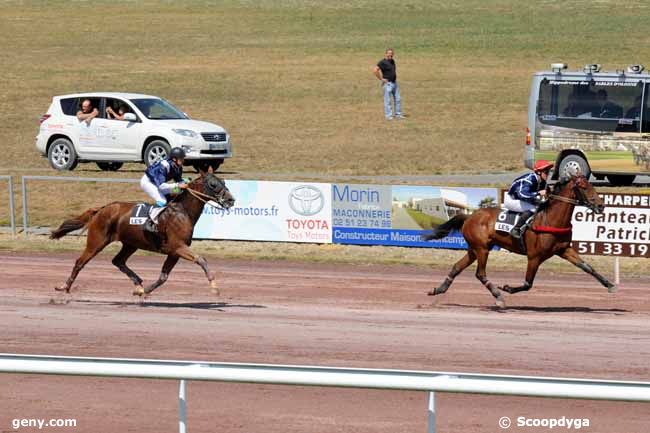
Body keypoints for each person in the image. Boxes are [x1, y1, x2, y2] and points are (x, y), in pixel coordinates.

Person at [139, 147, 188, 231]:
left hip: (158, 184)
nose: (183, 160)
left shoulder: (178, 167)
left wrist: (187, 182)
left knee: (175, 193)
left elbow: (179, 181)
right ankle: (148, 222)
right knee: (162, 201)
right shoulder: (164, 166)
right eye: (181, 158)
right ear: (174, 159)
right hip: (148, 182)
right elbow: (161, 186)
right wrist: (178, 185)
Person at [504, 160, 554, 239]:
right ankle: (516, 229)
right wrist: (538, 193)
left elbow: (549, 194)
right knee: (533, 208)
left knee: (543, 204)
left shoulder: (542, 182)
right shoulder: (529, 179)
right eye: (546, 171)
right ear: (538, 172)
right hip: (511, 200)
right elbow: (522, 194)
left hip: (523, 198)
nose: (548, 174)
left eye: (549, 171)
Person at [373, 48, 403, 120]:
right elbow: (375, 70)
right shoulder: (382, 62)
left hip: (394, 83)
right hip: (388, 84)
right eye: (389, 53)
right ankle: (388, 116)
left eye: (392, 53)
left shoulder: (392, 61)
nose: (391, 55)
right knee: (388, 100)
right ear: (386, 54)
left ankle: (398, 115)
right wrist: (381, 79)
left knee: (398, 99)